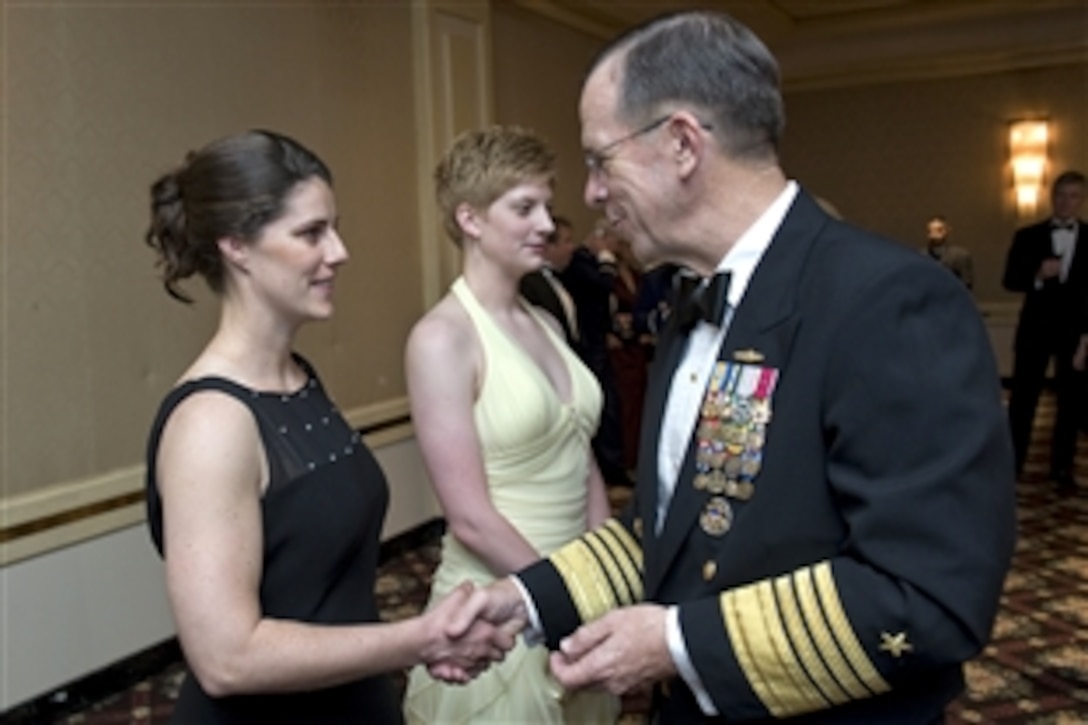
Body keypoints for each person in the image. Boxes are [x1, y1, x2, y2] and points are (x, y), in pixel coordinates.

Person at [453, 10, 1017, 723]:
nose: (591, 193)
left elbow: (931, 593)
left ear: (682, 144)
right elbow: (672, 526)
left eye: (600, 160)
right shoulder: (696, 300)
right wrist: (526, 600)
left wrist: (676, 642)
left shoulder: (887, 300)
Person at [142, 130, 512, 724]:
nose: (338, 251)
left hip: (349, 700)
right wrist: (419, 639)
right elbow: (226, 657)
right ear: (237, 246)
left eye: (333, 227)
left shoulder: (297, 379)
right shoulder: (211, 421)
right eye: (311, 233)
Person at [401, 126, 618, 724]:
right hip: (497, 609)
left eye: (546, 206)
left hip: (570, 594)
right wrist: (562, 597)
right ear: (470, 219)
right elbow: (469, 516)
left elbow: (583, 464)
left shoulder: (544, 323)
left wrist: (604, 581)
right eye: (524, 208)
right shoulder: (442, 338)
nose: (547, 224)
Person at [1003, 170, 1087, 491]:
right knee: (1023, 401)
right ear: (1053, 197)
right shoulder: (1028, 236)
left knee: (1070, 403)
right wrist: (1037, 274)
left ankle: (1062, 469)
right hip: (1035, 331)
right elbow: (1009, 280)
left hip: (1074, 334)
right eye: (1062, 195)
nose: (1067, 202)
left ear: (1082, 200)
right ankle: (1011, 466)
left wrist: (1086, 339)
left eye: (1074, 196)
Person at [563, 218, 633, 486]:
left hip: (605, 345)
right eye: (613, 241)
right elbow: (604, 285)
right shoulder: (581, 261)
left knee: (613, 407)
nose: (616, 248)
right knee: (603, 407)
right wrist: (604, 256)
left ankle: (614, 469)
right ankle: (609, 471)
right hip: (590, 348)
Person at [520, 215, 581, 347]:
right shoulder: (529, 284)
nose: (572, 247)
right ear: (547, 246)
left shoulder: (565, 277)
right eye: (567, 241)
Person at [922, 215, 973, 290]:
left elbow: (966, 285)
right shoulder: (921, 256)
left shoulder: (959, 256)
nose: (934, 235)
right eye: (931, 231)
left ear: (947, 231)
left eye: (939, 230)